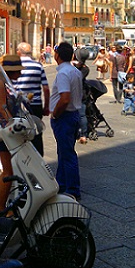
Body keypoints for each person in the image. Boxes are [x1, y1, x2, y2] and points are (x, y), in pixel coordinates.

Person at [0, 54, 25, 210]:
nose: (20, 74)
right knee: (8, 172)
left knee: (6, 170)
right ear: (12, 71)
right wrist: (14, 123)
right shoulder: (0, 83)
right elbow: (3, 108)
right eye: (18, 71)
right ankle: (1, 208)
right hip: (2, 131)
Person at [50, 41, 83, 201]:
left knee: (67, 153)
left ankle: (72, 189)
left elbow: (64, 99)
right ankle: (61, 183)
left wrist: (55, 114)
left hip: (64, 116)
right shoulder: (75, 71)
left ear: (57, 55)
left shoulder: (63, 73)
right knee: (63, 151)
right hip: (73, 114)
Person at [14, 42, 49, 156]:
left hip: (18, 106)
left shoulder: (14, 66)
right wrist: (46, 106)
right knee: (36, 133)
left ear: (18, 52)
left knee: (18, 134)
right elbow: (46, 88)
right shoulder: (38, 66)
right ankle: (38, 159)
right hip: (36, 105)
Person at [73, 47, 90, 145]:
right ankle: (76, 132)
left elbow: (77, 77)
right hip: (74, 94)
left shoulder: (84, 69)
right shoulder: (79, 67)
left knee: (81, 114)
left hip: (80, 95)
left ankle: (83, 134)